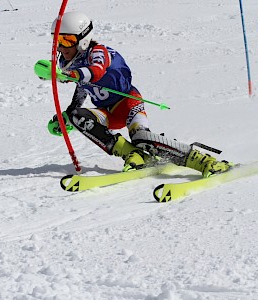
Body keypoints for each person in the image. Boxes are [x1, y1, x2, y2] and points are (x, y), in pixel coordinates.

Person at [47, 11, 232, 178]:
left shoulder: (98, 52)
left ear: (83, 39)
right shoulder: (67, 61)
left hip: (127, 104)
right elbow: (82, 86)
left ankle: (203, 161)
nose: (62, 47)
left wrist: (71, 74)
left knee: (142, 138)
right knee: (76, 116)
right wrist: (69, 112)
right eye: (58, 42)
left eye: (67, 40)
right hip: (106, 112)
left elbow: (97, 71)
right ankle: (132, 155)